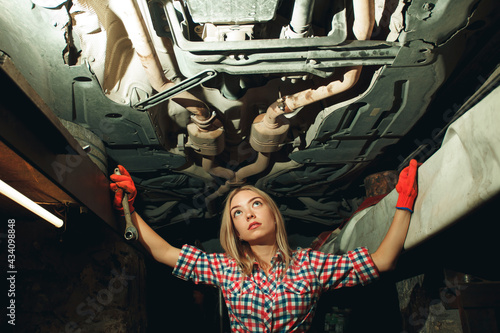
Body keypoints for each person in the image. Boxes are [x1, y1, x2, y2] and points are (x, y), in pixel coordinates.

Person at [109, 159, 419, 332]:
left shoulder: (311, 264)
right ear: (237, 231)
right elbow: (164, 252)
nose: (249, 214)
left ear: (273, 213)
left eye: (256, 204)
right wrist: (130, 209)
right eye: (238, 213)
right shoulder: (227, 269)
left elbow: (382, 261)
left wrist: (403, 203)